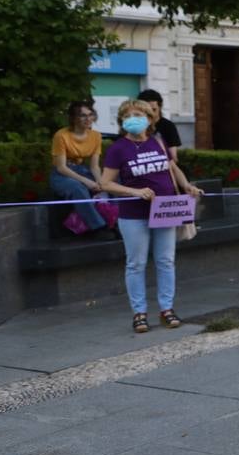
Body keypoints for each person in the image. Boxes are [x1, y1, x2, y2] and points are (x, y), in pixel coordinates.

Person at [101, 100, 203, 333]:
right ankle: (139, 313)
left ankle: (167, 309)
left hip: (165, 210)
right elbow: (105, 183)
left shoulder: (158, 142)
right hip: (133, 214)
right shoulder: (118, 148)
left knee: (166, 261)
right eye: (127, 115)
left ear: (149, 119)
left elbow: (172, 167)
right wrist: (134, 191)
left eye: (138, 114)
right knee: (136, 263)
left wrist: (187, 186)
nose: (132, 118)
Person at [50, 101, 108, 236]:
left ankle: (114, 221)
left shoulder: (96, 136)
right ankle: (98, 227)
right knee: (78, 188)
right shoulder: (61, 135)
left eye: (90, 115)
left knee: (111, 183)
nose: (88, 119)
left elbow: (94, 166)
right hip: (62, 174)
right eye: (82, 116)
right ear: (73, 118)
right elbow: (61, 167)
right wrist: (87, 181)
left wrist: (101, 183)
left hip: (82, 170)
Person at [136, 90, 181, 164]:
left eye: (153, 110)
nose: (150, 114)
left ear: (160, 107)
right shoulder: (135, 125)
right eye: (146, 110)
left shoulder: (168, 126)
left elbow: (173, 157)